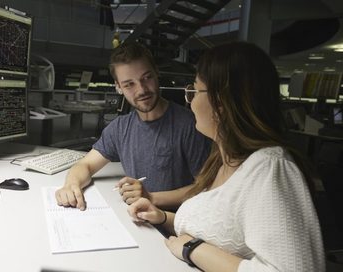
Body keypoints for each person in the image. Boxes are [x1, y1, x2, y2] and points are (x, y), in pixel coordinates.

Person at [128, 41, 325, 271]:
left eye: (194, 91)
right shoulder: (223, 160)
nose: (190, 102)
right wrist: (161, 217)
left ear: (220, 102)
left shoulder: (270, 168)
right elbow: (219, 229)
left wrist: (192, 249)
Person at [55, 42, 211, 211]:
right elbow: (85, 165)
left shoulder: (190, 125)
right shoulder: (120, 128)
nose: (142, 90)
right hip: (137, 219)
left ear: (157, 74)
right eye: (129, 84)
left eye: (147, 78)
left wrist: (151, 198)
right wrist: (71, 185)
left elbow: (206, 188)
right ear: (118, 87)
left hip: (174, 226)